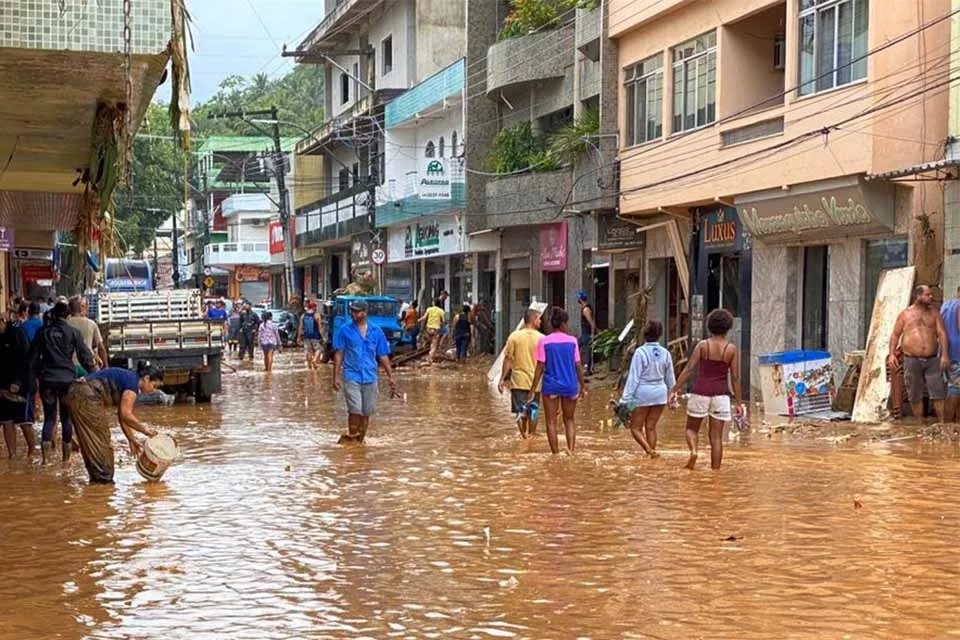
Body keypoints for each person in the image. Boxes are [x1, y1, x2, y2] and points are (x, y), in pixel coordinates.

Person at [670, 308, 743, 470]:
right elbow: (736, 378)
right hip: (721, 397)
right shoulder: (731, 349)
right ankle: (715, 474)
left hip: (700, 394)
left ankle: (694, 452)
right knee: (716, 438)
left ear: (709, 326)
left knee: (691, 429)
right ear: (728, 327)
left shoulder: (703, 346)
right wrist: (738, 403)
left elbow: (689, 369)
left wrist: (674, 389)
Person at [65, 361, 162, 484]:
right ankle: (103, 486)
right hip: (86, 396)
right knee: (100, 442)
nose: (154, 391)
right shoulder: (132, 385)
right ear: (146, 379)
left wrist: (131, 439)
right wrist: (146, 431)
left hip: (77, 393)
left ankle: (96, 484)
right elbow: (126, 414)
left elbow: (122, 416)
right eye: (154, 386)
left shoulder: (129, 378)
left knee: (91, 442)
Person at [29, 301, 96, 463]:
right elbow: (85, 357)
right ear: (67, 315)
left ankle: (45, 461)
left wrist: (38, 374)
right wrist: (94, 375)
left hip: (48, 380)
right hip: (67, 380)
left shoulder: (42, 332)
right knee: (66, 418)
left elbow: (32, 358)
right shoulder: (73, 332)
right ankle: (66, 461)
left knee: (50, 418)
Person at [332, 299, 398, 444]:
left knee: (367, 411)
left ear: (364, 313)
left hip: (370, 376)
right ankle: (353, 436)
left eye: (356, 311)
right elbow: (339, 354)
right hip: (351, 375)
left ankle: (359, 441)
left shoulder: (376, 331)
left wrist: (391, 376)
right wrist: (335, 376)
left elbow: (382, 355)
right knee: (355, 409)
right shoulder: (345, 330)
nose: (352, 314)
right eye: (352, 311)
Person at [527, 307, 586, 454]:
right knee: (569, 420)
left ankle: (555, 454)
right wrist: (583, 386)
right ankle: (571, 451)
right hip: (570, 385)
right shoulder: (573, 341)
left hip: (551, 386)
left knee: (551, 422)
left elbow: (540, 367)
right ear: (563, 324)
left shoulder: (544, 342)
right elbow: (578, 366)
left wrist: (533, 390)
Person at [887, 285, 949, 420]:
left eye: (931, 294)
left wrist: (944, 355)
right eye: (928, 295)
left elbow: (942, 334)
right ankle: (919, 424)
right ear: (918, 296)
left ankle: (942, 423)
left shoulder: (934, 313)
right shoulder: (905, 314)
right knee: (915, 394)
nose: (931, 297)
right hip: (911, 359)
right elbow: (895, 335)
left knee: (938, 392)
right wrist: (892, 354)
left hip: (932, 359)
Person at [618, 321, 675, 457]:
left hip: (643, 393)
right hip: (660, 394)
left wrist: (625, 399)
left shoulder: (640, 352)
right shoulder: (665, 353)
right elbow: (671, 378)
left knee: (635, 428)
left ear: (644, 334)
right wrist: (672, 396)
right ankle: (651, 456)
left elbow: (634, 378)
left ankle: (649, 451)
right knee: (651, 427)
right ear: (659, 335)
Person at [499, 308, 544, 438]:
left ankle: (523, 435)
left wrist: (502, 379)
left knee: (520, 410)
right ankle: (531, 435)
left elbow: (508, 359)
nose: (540, 321)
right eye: (539, 318)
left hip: (518, 381)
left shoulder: (514, 336)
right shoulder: (542, 338)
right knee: (533, 410)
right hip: (536, 382)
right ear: (534, 320)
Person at [0, 314, 37, 458]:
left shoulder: (17, 333)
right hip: (3, 385)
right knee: (6, 420)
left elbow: (26, 361)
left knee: (24, 421)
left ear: (2, 321)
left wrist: (18, 382)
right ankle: (12, 455)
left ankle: (32, 452)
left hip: (23, 384)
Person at [67, 296, 108, 370]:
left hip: (69, 366)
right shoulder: (91, 324)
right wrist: (106, 367)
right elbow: (101, 348)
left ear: (69, 309)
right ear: (81, 308)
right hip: (88, 365)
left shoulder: (65, 324)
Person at [941, 286, 960, 421]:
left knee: (954, 387)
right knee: (955, 389)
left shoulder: (946, 305)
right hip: (958, 352)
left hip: (947, 351)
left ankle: (952, 424)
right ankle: (947, 425)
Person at [298, 300, 324, 370]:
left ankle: (309, 367)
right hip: (315, 336)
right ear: (314, 307)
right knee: (319, 349)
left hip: (306, 336)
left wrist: (298, 337)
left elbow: (300, 327)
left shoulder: (303, 316)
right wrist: (322, 336)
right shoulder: (317, 315)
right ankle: (314, 360)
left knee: (308, 351)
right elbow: (320, 327)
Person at [577, 290, 597, 376]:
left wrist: (593, 331)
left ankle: (588, 369)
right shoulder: (585, 308)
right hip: (584, 332)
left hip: (587, 333)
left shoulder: (586, 309)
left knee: (587, 350)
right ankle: (584, 367)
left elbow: (590, 321)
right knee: (578, 346)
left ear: (580, 299)